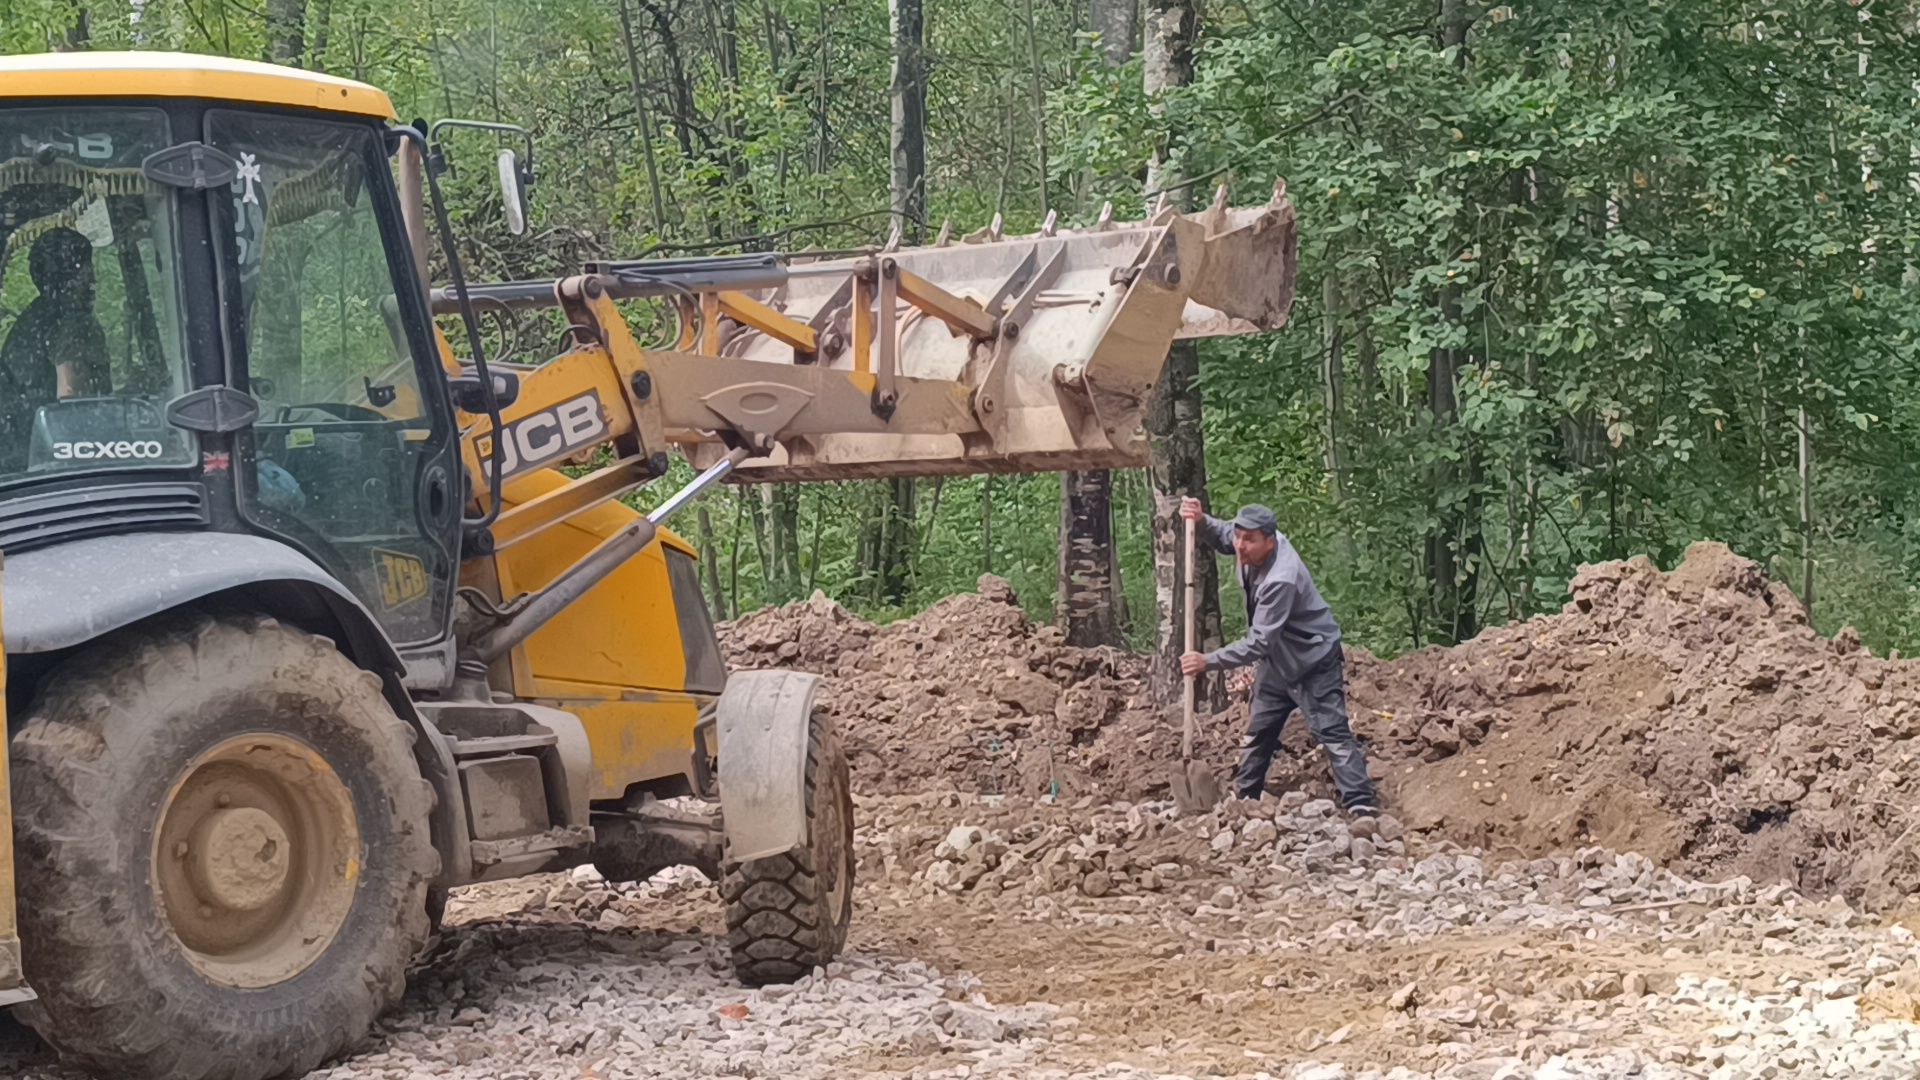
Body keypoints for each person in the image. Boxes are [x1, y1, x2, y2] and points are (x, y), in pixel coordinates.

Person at [1178, 496, 1380, 816]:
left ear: (1270, 542)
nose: (1240, 546)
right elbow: (1224, 533)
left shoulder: (1280, 579)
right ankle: (1245, 801)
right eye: (1239, 537)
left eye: (1249, 540)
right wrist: (1201, 520)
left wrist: (1208, 661)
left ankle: (1361, 806)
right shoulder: (1250, 537)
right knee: (1259, 731)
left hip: (1312, 661)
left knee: (1333, 733)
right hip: (1277, 662)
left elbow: (1259, 643)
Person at [0, 228, 111, 465]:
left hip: (19, 452)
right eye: (86, 268)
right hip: (58, 460)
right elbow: (71, 398)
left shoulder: (31, 319)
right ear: (71, 274)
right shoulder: (73, 323)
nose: (93, 279)